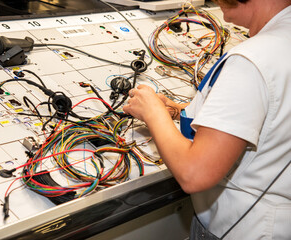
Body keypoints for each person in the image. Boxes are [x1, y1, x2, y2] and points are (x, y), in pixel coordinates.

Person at [123, 0, 291, 239]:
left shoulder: (251, 60)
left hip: (241, 226)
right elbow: (274, 113)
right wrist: (181, 110)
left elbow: (194, 174)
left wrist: (152, 112)